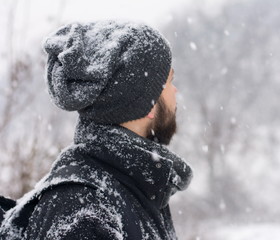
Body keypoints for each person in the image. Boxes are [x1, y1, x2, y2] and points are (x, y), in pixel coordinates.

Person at [5, 20, 193, 239]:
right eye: (169, 81)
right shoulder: (82, 207)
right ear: (147, 103)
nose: (175, 91)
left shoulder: (135, 187)